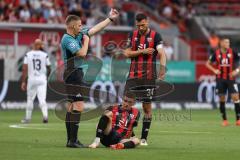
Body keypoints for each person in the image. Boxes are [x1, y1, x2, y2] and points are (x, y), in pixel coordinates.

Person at [61, 9, 119, 148]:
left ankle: (71, 140)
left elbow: (95, 29)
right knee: (79, 106)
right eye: (80, 25)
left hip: (74, 73)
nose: (82, 27)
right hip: (73, 73)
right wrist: (86, 41)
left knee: (71, 107)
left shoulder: (77, 35)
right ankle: (73, 140)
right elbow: (81, 53)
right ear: (73, 26)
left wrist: (109, 19)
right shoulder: (67, 39)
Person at [123, 13, 167, 146]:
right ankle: (130, 134)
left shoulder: (156, 36)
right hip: (133, 76)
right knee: (125, 105)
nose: (140, 28)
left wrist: (162, 68)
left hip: (148, 78)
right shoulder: (133, 35)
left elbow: (161, 53)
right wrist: (141, 52)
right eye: (138, 25)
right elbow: (127, 53)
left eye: (142, 25)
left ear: (147, 22)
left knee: (146, 107)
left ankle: (143, 138)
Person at [206, 38, 240, 126]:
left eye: (229, 42)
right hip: (220, 79)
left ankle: (238, 119)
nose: (228, 43)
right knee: (222, 99)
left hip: (231, 78)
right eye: (226, 42)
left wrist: (236, 71)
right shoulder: (216, 54)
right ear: (221, 44)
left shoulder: (233, 52)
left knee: (235, 97)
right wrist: (214, 70)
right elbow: (207, 63)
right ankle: (224, 120)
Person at [21, 39, 51, 123]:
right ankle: (45, 116)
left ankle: (28, 118)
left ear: (34, 45)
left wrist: (23, 81)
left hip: (32, 79)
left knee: (30, 99)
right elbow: (49, 68)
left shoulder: (28, 54)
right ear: (40, 45)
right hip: (42, 79)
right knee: (42, 99)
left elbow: (24, 68)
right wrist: (47, 77)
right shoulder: (44, 55)